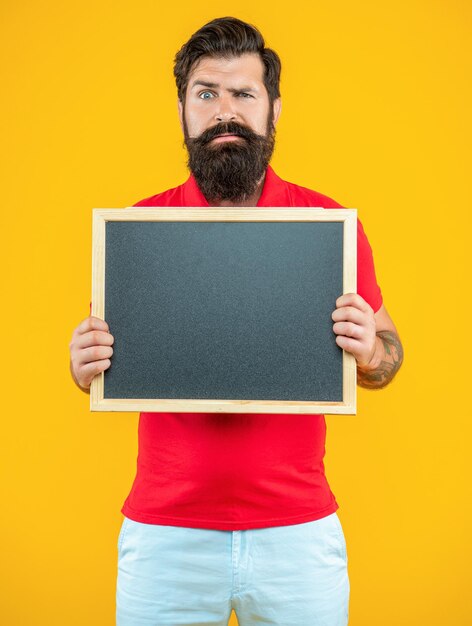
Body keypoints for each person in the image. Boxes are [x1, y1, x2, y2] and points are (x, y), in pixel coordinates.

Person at [69, 16, 403, 626]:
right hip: (164, 534)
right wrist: (82, 362)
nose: (226, 111)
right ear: (182, 112)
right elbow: (106, 366)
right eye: (207, 94)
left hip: (297, 532)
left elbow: (387, 356)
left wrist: (371, 353)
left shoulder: (328, 225)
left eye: (244, 94)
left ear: (274, 110)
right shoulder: (140, 229)